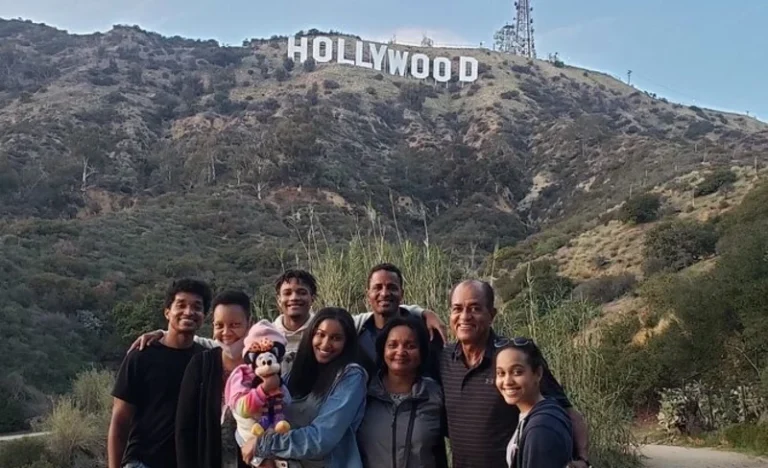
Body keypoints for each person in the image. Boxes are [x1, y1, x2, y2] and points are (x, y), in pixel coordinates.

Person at [129, 269, 447, 376]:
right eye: (287, 293)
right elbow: (224, 342)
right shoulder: (264, 333)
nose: (294, 297)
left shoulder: (329, 329)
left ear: (312, 297)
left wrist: (420, 312)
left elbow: (383, 309)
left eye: (302, 292)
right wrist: (167, 332)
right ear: (279, 299)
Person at [439, 280, 590, 468]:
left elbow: (568, 412)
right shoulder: (443, 358)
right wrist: (421, 312)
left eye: (475, 308)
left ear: (491, 314)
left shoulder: (514, 358)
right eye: (457, 309)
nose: (464, 316)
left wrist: (583, 460)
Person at [241, 307, 370, 468]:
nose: (325, 344)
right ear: (311, 335)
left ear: (347, 343)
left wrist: (264, 444)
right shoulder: (296, 371)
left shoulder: (350, 377)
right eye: (320, 334)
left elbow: (321, 440)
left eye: (336, 338)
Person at [108, 278, 212, 468]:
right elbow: (120, 420)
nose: (188, 312)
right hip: (143, 462)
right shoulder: (141, 356)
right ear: (167, 312)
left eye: (197, 307)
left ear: (204, 315)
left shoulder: (206, 360)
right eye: (181, 305)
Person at [357, 316, 448, 468]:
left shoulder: (435, 395)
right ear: (382, 349)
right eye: (392, 345)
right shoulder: (363, 393)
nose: (400, 352)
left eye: (410, 346)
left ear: (422, 351)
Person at [175, 289, 253, 468]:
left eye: (234, 325)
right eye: (219, 325)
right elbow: (184, 430)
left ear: (250, 324)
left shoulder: (262, 367)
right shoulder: (201, 365)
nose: (226, 332)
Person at [356, 263, 444, 381]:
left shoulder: (427, 331)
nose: (384, 293)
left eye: (392, 287)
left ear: (402, 293)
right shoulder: (357, 334)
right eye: (377, 287)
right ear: (368, 295)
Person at [495, 339, 574, 468]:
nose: (507, 381)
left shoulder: (540, 428)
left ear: (538, 373)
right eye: (501, 373)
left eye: (517, 372)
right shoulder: (546, 411)